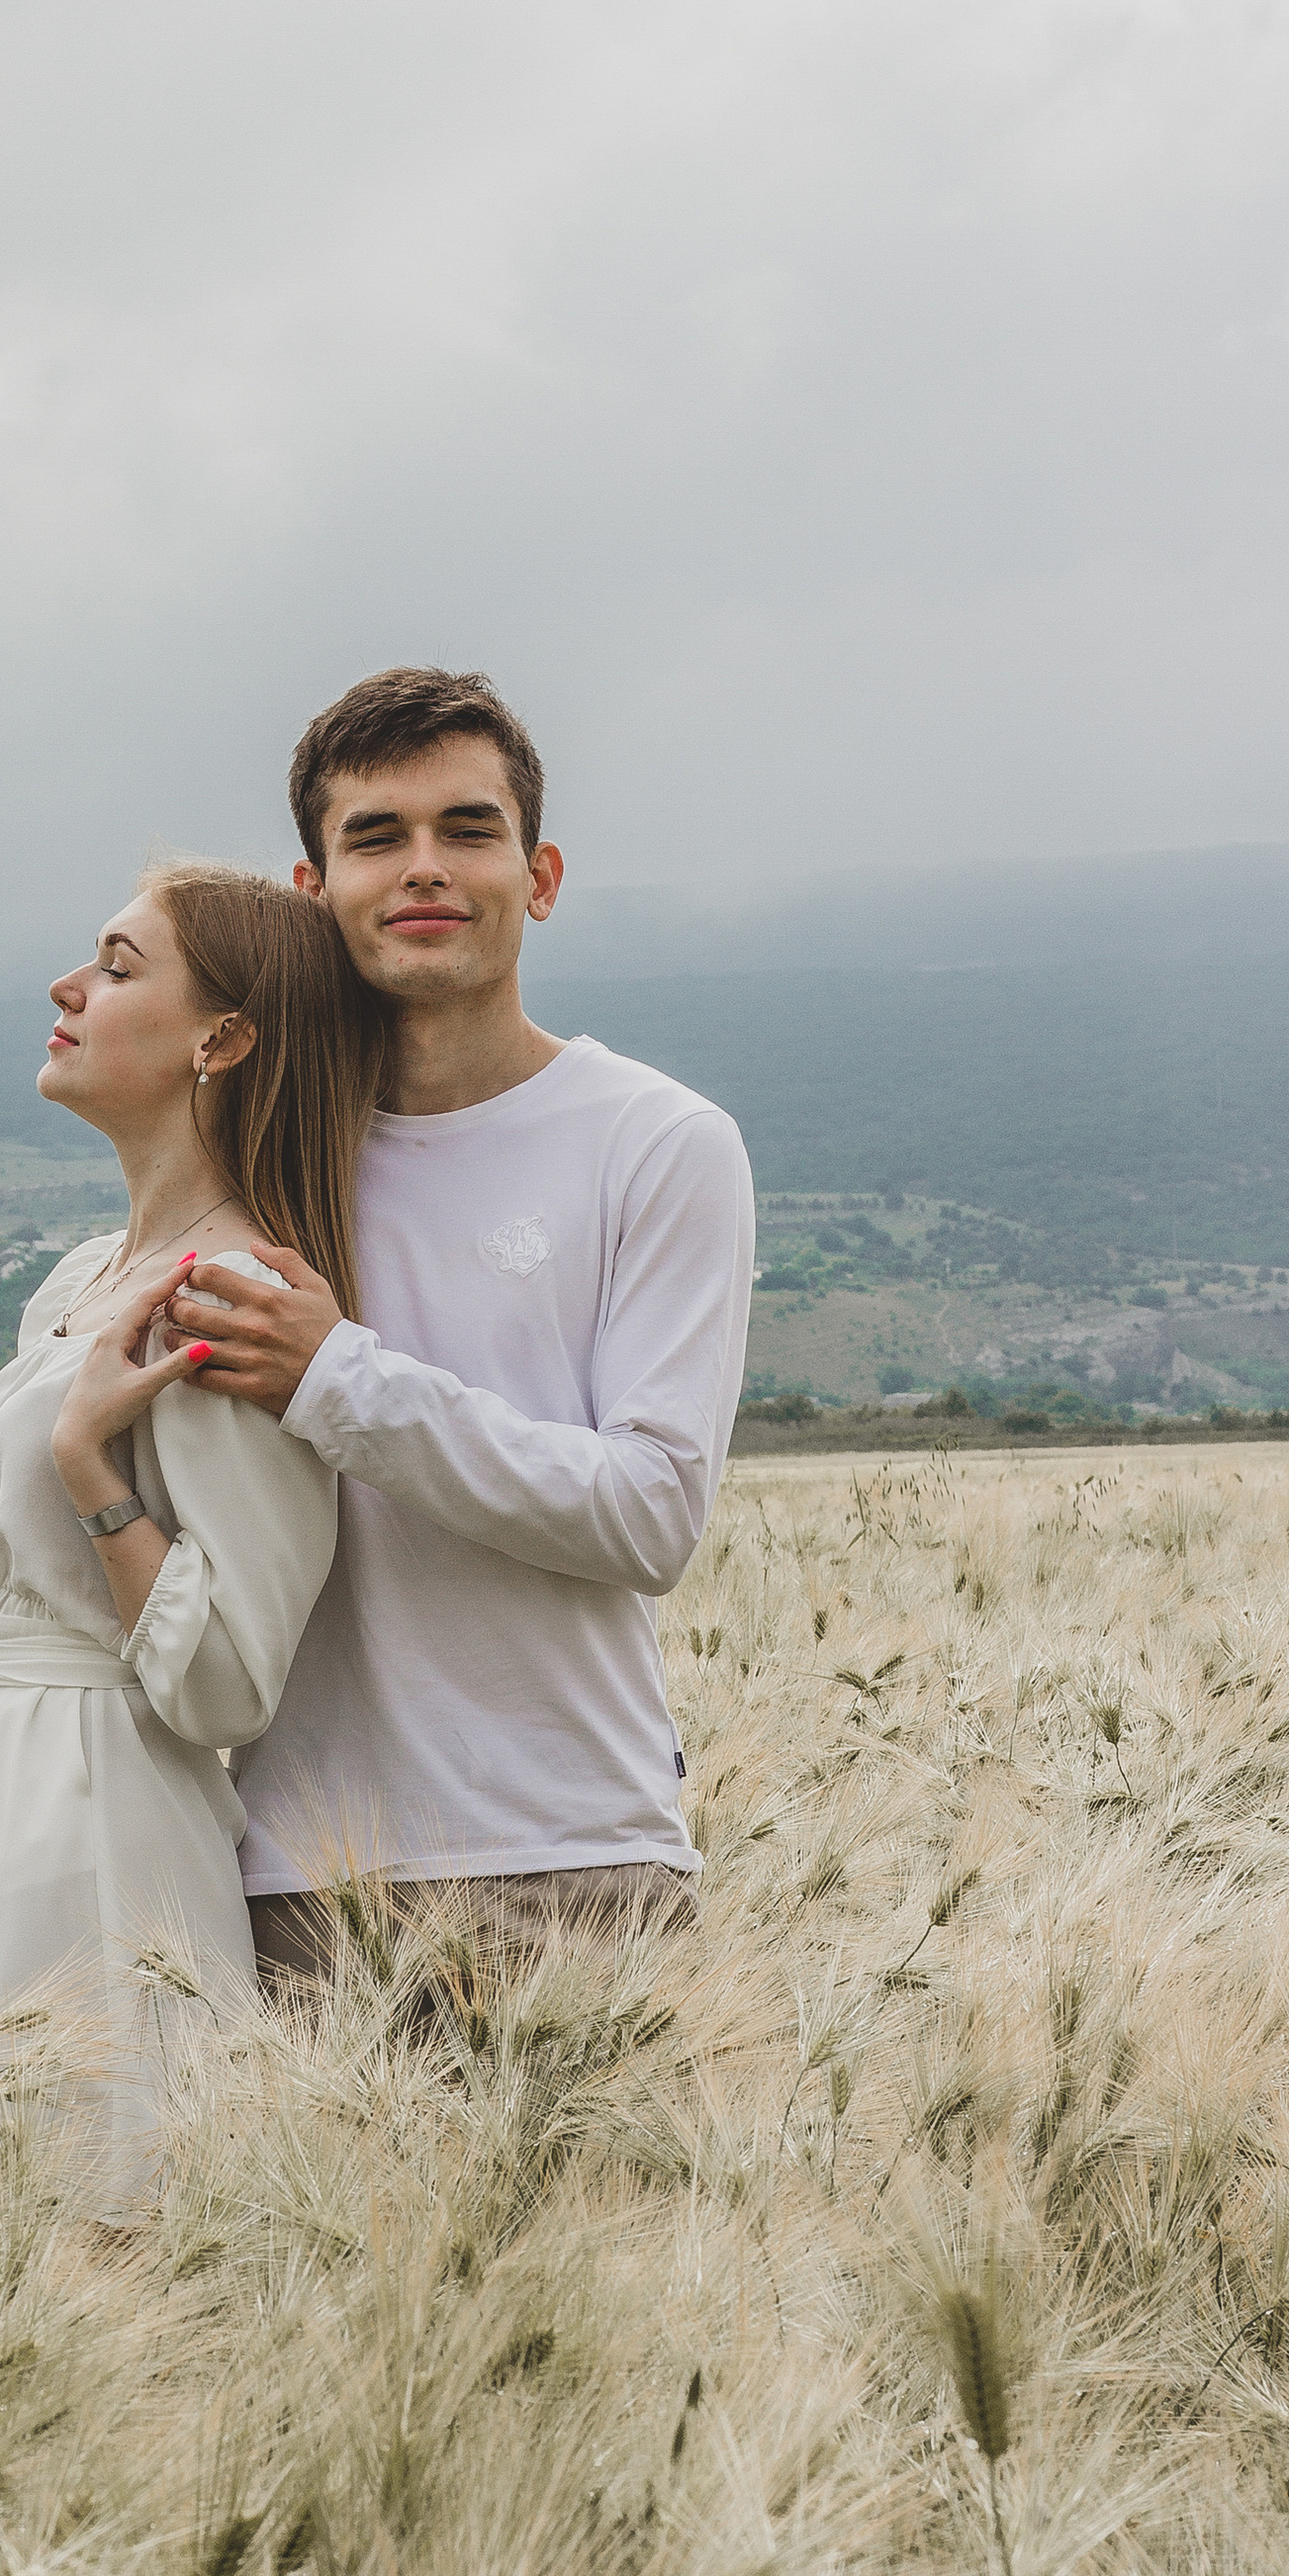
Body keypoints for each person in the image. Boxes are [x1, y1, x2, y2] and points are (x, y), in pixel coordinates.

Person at [166, 667, 755, 1984]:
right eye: (376, 837)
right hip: (285, 1882)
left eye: (467, 830)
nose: (423, 869)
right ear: (312, 895)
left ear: (539, 876)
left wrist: (335, 1377)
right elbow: (137, 1451)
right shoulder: (243, 1159)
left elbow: (651, 1512)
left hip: (576, 1867)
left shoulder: (658, 1145)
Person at [0, 865, 387, 2187]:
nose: (66, 987)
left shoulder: (231, 1300)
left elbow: (225, 1683)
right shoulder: (77, 1280)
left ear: (223, 1039)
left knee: (101, 2231)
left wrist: (88, 1463)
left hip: (108, 1840)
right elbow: (46, 1574)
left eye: (114, 963)